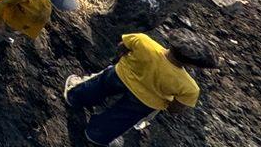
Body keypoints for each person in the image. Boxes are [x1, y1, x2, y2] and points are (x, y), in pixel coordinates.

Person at [64, 33, 213, 146]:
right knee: (121, 118)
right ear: (193, 65)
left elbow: (122, 47)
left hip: (120, 75)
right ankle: (96, 135)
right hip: (145, 102)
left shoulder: (143, 41)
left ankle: (74, 97)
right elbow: (175, 109)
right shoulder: (190, 88)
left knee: (97, 86)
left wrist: (123, 62)